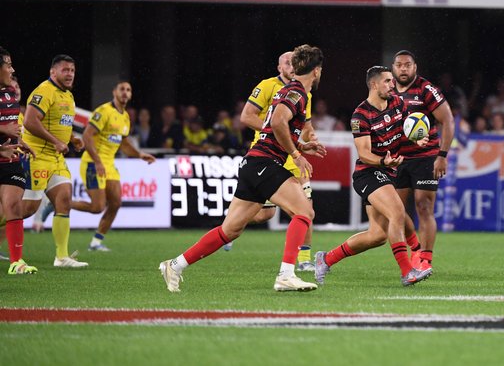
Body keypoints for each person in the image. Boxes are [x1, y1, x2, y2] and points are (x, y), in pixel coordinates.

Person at [159, 45, 326, 293]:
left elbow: (272, 127)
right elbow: (277, 122)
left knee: (230, 230)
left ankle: (175, 265)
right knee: (304, 211)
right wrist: (296, 154)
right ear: (316, 71)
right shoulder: (297, 92)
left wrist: (301, 145)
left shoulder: (289, 90)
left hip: (253, 163)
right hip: (265, 162)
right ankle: (286, 275)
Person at [314, 66, 434, 287]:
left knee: (377, 235)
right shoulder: (361, 115)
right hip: (368, 173)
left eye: (392, 81)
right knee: (398, 212)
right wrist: (383, 162)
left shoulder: (397, 103)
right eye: (387, 81)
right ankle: (408, 270)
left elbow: (406, 129)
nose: (392, 85)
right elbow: (364, 154)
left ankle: (326, 259)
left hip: (387, 172)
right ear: (373, 84)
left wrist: (415, 138)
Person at [236, 50, 317, 270]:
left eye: (294, 63)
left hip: (292, 154)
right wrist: (274, 129)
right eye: (287, 63)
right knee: (265, 214)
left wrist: (310, 136)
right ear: (279, 68)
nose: (291, 66)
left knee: (305, 207)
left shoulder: (305, 93)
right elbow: (246, 116)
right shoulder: (267, 86)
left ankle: (304, 260)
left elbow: (306, 125)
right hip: (268, 153)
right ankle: (231, 224)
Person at [70, 81, 156, 252]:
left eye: (128, 90)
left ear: (130, 95)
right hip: (93, 163)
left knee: (116, 203)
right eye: (122, 89)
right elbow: (87, 136)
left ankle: (96, 242)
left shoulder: (125, 117)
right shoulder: (104, 111)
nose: (125, 92)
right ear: (114, 92)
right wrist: (97, 161)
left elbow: (123, 143)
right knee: (97, 207)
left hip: (109, 164)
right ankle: (62, 203)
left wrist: (139, 154)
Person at [391, 50, 454, 272]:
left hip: (425, 157)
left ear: (415, 67)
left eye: (407, 65)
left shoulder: (426, 89)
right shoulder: (387, 90)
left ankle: (425, 259)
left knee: (424, 206)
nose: (403, 69)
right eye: (399, 65)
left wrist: (442, 155)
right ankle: (415, 250)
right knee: (397, 211)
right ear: (393, 68)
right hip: (397, 159)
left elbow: (448, 120)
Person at [21, 55, 87, 267]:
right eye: (65, 70)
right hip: (37, 156)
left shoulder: (67, 95)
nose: (70, 74)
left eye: (72, 70)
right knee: (27, 209)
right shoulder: (44, 91)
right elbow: (30, 121)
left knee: (64, 199)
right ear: (53, 72)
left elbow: (60, 123)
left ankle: (62, 257)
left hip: (55, 158)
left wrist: (71, 138)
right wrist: (56, 141)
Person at [0, 47, 37, 274]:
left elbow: (13, 128)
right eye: (8, 65)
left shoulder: (11, 94)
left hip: (11, 160)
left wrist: (20, 141)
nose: (12, 70)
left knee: (13, 206)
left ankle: (16, 262)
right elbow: (5, 127)